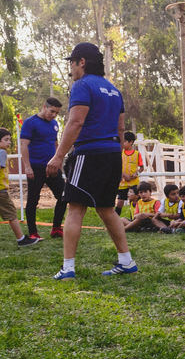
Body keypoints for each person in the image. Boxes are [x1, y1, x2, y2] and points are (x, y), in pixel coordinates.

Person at [45, 42, 139, 279]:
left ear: (82, 62)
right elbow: (120, 129)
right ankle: (126, 261)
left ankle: (68, 268)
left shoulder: (82, 85)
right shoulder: (114, 90)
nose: (72, 69)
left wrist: (58, 156)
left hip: (89, 153)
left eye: (72, 64)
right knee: (107, 210)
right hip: (111, 155)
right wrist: (116, 162)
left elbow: (75, 123)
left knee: (75, 209)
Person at [19, 96, 67, 241]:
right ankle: (33, 232)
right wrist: (27, 167)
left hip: (52, 168)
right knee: (33, 200)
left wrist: (59, 163)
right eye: (52, 111)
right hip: (35, 167)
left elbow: (56, 144)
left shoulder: (54, 124)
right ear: (44, 107)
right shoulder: (30, 122)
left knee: (64, 196)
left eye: (56, 113)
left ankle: (56, 228)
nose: (54, 115)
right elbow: (24, 145)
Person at [0, 129, 36, 246]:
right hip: (1, 191)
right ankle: (21, 239)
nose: (9, 142)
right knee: (12, 215)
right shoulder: (2, 152)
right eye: (6, 140)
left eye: (9, 140)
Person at [116, 131, 143, 216]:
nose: (122, 144)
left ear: (131, 142)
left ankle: (134, 218)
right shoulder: (119, 153)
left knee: (136, 201)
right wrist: (124, 175)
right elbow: (117, 166)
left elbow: (141, 168)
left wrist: (136, 173)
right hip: (122, 183)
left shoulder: (137, 154)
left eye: (124, 141)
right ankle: (115, 220)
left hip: (134, 183)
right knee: (120, 201)